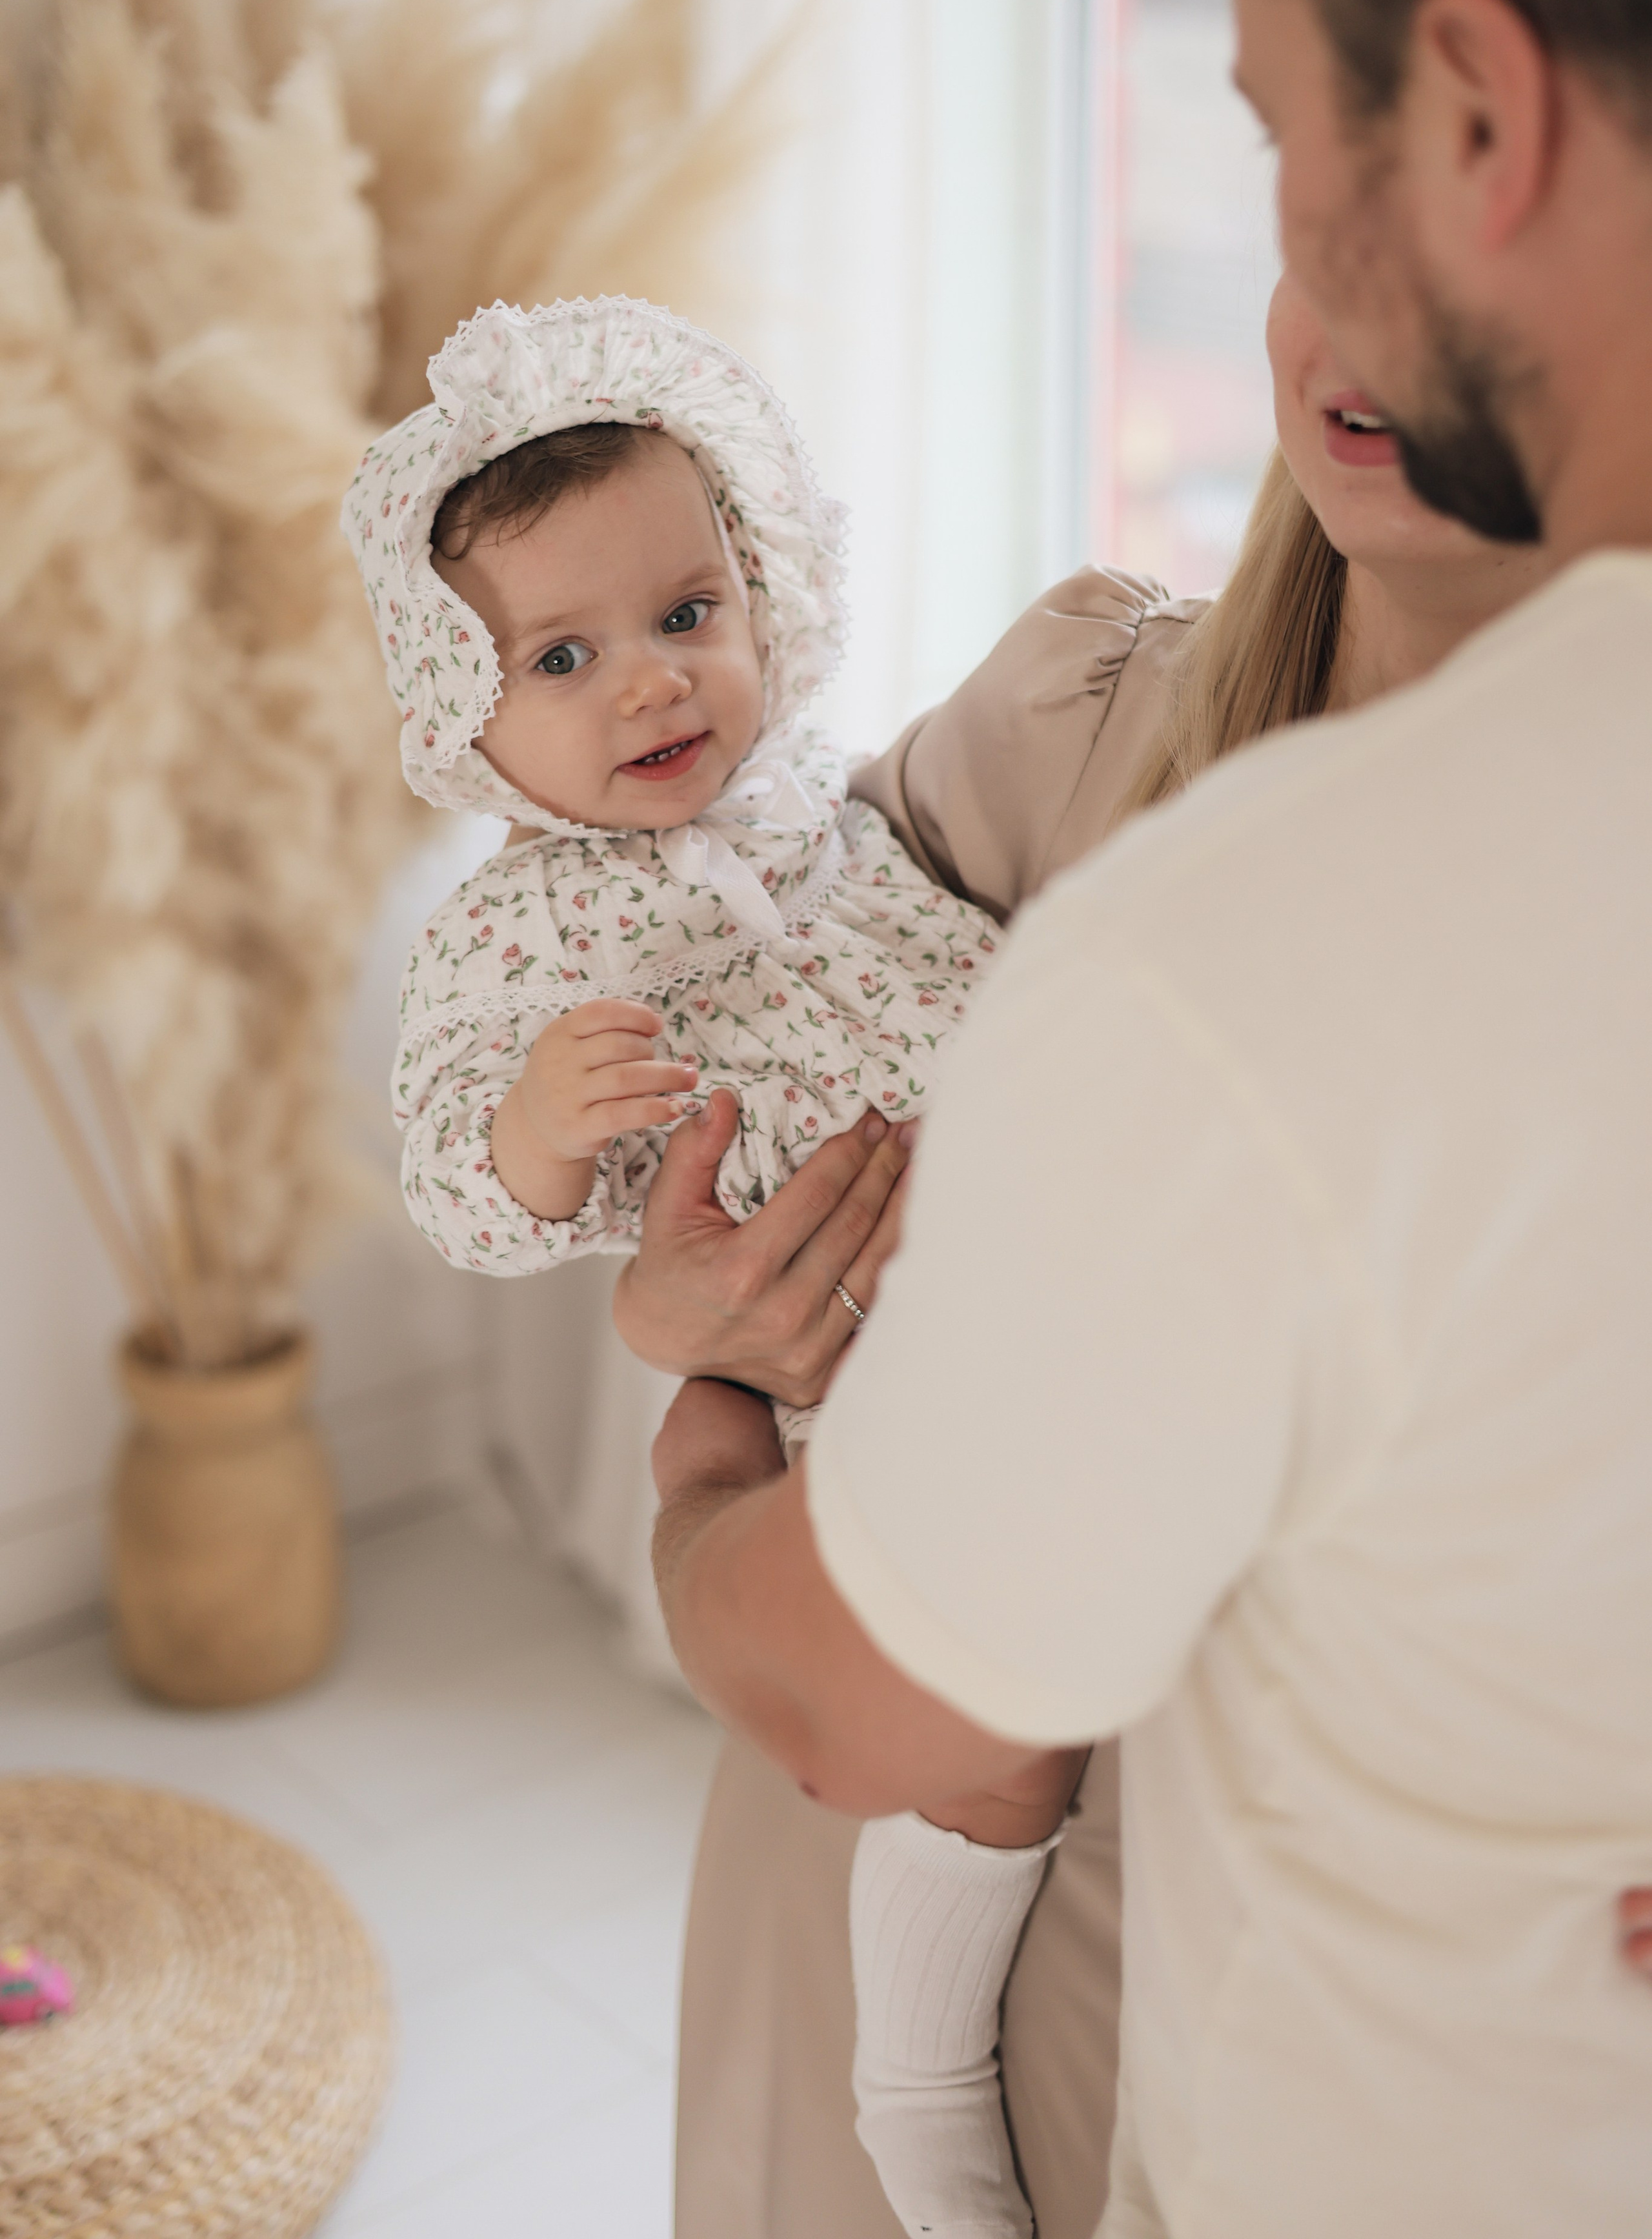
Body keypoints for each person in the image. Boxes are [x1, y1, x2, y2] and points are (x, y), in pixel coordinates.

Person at [644, 0, 1652, 2233]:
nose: (1286, 247)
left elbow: (838, 1677)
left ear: (1479, 116)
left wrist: (699, 1492)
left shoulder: (1258, 963)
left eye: (1278, 123)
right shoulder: (1112, 759)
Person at [343, 292, 1100, 2239]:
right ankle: (923, 2084)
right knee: (997, 1734)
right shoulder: (513, 943)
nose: (649, 689)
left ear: (761, 592)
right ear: (467, 712)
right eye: (564, 656)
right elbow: (450, 1181)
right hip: (855, 1359)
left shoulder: (836, 818)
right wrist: (534, 1127)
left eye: (688, 616)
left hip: (1020, 1251)